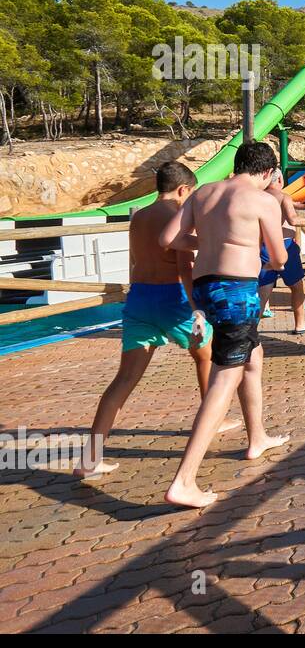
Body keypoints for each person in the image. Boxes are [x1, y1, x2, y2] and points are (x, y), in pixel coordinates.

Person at [160, 142, 291, 509]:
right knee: (225, 377)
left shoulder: (203, 193)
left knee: (253, 356)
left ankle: (258, 437)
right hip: (236, 291)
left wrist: (211, 239)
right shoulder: (263, 200)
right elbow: (279, 257)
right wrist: (250, 246)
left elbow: (167, 239)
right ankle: (183, 481)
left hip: (206, 287)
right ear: (267, 173)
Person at [76, 162, 220, 478]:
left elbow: (134, 262)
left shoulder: (138, 216)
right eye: (190, 194)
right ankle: (214, 416)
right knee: (207, 355)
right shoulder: (179, 216)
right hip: (173, 298)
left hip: (140, 298)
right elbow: (185, 268)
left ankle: (89, 459)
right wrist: (197, 307)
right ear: (184, 189)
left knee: (123, 380)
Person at [257, 169, 305, 334]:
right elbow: (293, 219)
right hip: (284, 246)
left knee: (264, 290)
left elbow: (304, 206)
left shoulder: (258, 197)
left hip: (263, 247)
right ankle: (300, 324)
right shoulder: (283, 196)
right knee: (296, 286)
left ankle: (250, 331)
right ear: (280, 179)